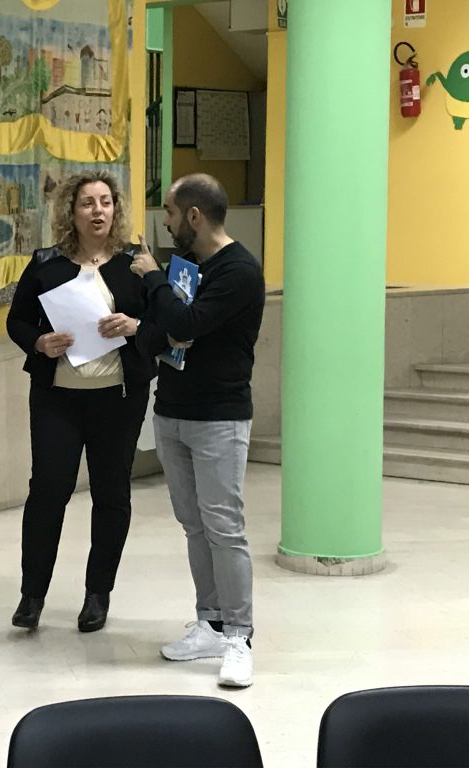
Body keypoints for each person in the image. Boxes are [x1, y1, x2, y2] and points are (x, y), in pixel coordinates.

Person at [6, 170, 159, 632]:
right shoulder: (46, 263)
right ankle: (32, 594)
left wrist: (134, 326)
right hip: (58, 400)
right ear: (71, 211)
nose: (98, 211)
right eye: (88, 203)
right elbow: (17, 322)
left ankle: (98, 594)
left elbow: (162, 320)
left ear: (116, 209)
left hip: (119, 398)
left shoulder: (136, 264)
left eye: (106, 202)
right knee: (47, 492)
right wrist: (39, 342)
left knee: (112, 494)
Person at [130, 173, 265, 688]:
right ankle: (210, 623)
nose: (164, 222)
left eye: (168, 211)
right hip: (172, 411)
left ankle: (239, 637)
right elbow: (153, 334)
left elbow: (183, 324)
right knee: (193, 525)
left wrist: (153, 279)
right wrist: (160, 320)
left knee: (224, 527)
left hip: (220, 419)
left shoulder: (239, 271)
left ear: (193, 215)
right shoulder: (186, 268)